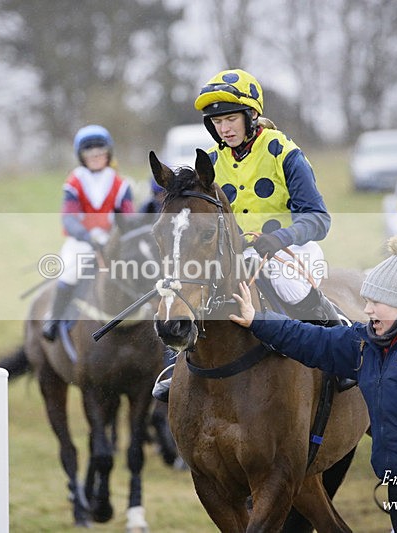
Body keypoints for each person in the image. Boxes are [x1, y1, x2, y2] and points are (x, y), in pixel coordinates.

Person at [229, 236, 397, 533]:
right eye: (367, 301)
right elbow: (310, 340)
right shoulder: (365, 342)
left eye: (375, 302)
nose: (367, 310)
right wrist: (258, 321)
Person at [153, 68, 339, 402]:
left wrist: (280, 238)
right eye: (217, 123)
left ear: (252, 115)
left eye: (230, 120)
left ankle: (338, 351)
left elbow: (319, 218)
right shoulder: (208, 163)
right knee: (189, 289)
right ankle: (178, 365)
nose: (224, 129)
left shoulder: (285, 153)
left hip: (288, 250)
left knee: (290, 287)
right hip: (234, 254)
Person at [41, 124, 135, 341]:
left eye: (99, 151)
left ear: (108, 153)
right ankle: (53, 319)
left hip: (112, 240)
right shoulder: (75, 180)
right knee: (70, 271)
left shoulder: (120, 183)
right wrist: (87, 236)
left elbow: (128, 217)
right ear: (81, 156)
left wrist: (116, 237)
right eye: (89, 152)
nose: (94, 156)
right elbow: (69, 217)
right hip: (82, 240)